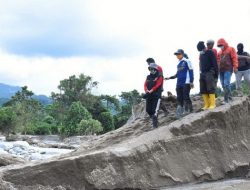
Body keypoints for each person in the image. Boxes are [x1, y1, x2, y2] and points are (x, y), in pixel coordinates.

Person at [165, 49, 194, 117]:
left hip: (186, 82)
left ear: (182, 54)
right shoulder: (178, 63)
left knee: (186, 96)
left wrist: (191, 81)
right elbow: (177, 74)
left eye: (179, 54)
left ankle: (190, 109)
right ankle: (180, 112)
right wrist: (169, 78)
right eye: (176, 54)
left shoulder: (187, 61)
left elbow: (191, 71)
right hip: (179, 83)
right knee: (179, 98)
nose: (177, 55)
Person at [197, 41, 218, 109]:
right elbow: (200, 63)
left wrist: (216, 73)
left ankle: (213, 104)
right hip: (202, 73)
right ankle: (206, 104)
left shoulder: (210, 52)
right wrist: (200, 72)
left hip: (210, 72)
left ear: (204, 48)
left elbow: (215, 63)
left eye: (201, 50)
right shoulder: (201, 54)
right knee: (203, 88)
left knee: (210, 88)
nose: (200, 51)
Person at [217, 38, 238, 103]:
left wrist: (235, 67)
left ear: (224, 43)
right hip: (221, 70)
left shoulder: (231, 49)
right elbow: (217, 61)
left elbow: (234, 58)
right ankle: (230, 97)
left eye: (221, 45)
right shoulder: (219, 52)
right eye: (219, 45)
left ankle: (226, 100)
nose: (220, 46)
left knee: (226, 84)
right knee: (223, 84)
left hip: (228, 69)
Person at [143, 63, 163, 128]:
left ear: (155, 69)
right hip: (149, 96)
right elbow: (145, 84)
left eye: (152, 69)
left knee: (155, 111)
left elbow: (158, 85)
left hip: (156, 96)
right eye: (150, 69)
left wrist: (151, 90)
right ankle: (154, 120)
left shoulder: (159, 77)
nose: (151, 70)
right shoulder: (148, 77)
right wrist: (146, 91)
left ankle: (155, 125)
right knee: (148, 110)